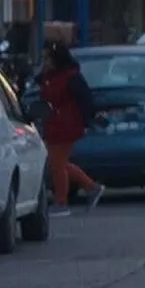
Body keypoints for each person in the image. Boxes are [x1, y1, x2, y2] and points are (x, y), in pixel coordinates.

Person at [36, 41, 105, 217]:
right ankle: (92, 187)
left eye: (47, 58)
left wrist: (88, 120)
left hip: (66, 125)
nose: (44, 62)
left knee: (57, 164)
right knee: (59, 163)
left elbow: (84, 100)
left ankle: (61, 202)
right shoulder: (50, 76)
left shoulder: (70, 77)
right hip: (56, 124)